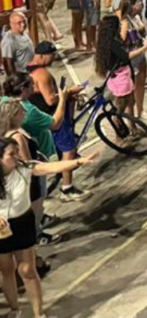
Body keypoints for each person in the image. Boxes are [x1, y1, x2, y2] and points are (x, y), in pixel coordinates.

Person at [0, 137, 94, 318]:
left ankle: (38, 313)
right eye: (11, 154)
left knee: (27, 270)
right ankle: (14, 309)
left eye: (17, 151)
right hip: (2, 228)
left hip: (23, 222)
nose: (17, 156)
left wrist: (78, 161)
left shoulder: (25, 168)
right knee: (6, 270)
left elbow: (52, 167)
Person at [24, 42, 88, 202]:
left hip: (39, 119)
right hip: (53, 118)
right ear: (41, 55)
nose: (54, 58)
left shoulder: (28, 69)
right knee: (69, 150)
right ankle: (67, 189)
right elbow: (51, 100)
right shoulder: (43, 75)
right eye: (51, 56)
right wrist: (68, 92)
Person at [1, 12, 33, 77]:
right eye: (19, 23)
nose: (23, 25)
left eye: (24, 21)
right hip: (22, 76)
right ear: (11, 24)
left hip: (30, 72)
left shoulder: (22, 33)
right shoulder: (9, 40)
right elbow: (7, 61)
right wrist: (14, 79)